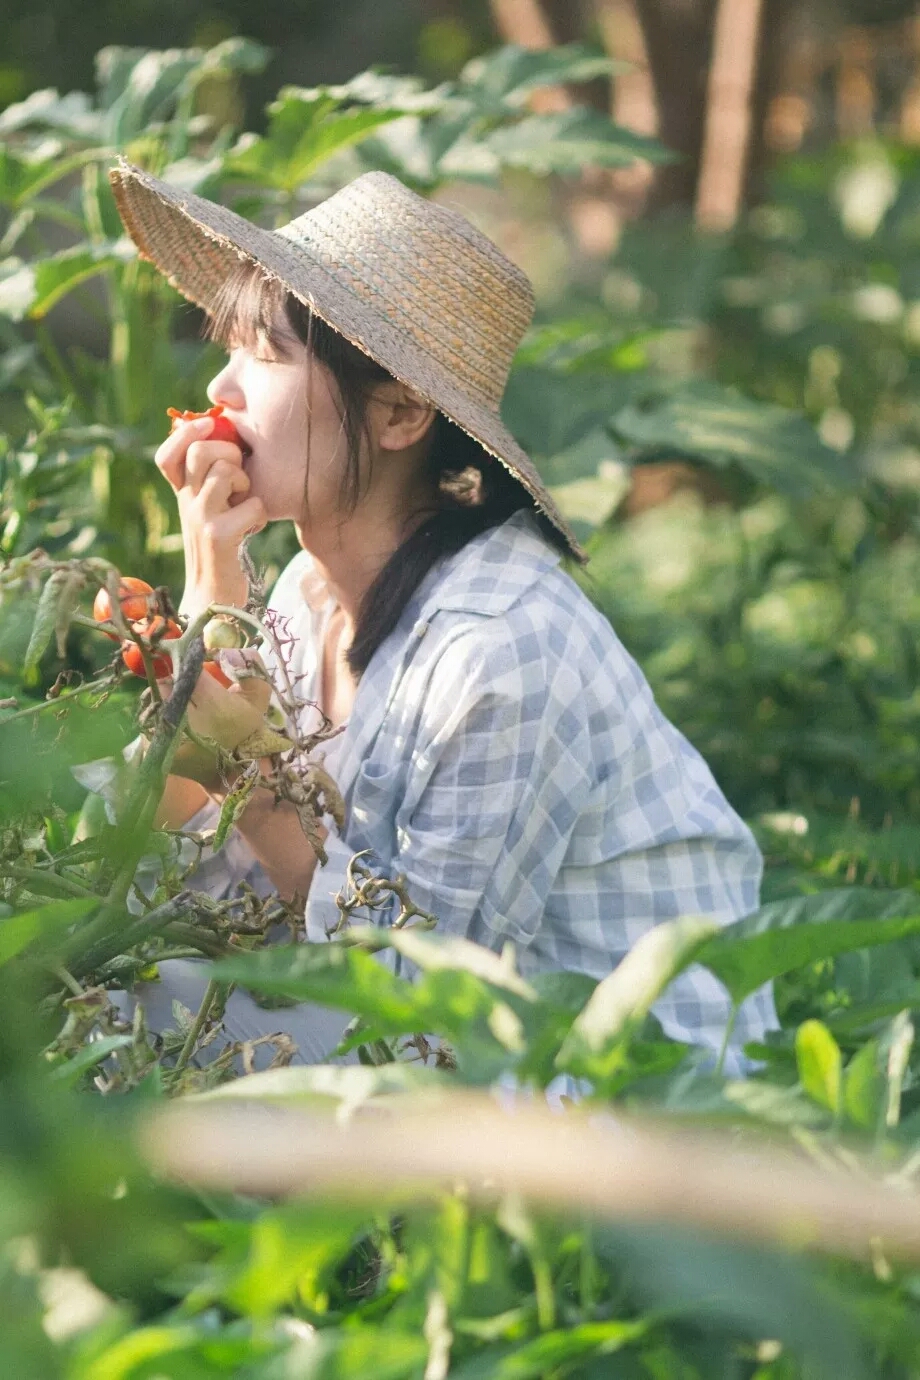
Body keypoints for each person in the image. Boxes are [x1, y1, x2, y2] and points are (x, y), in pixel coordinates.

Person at [100, 157, 776, 1075]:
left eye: (264, 354)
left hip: (631, 1097)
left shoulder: (503, 646)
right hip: (442, 1047)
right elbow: (186, 889)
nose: (222, 390)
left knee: (121, 1025)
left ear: (400, 414)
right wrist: (206, 618)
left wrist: (244, 765)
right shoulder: (303, 594)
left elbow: (414, 1007)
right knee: (90, 981)